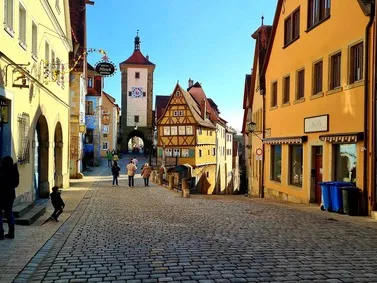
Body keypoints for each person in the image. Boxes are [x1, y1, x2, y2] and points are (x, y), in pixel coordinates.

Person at [0, 156, 19, 240]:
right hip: (10, 194)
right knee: (9, 213)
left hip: (1, 194)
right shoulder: (14, 170)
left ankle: (0, 233)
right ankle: (11, 232)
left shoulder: (1, 169)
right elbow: (16, 184)